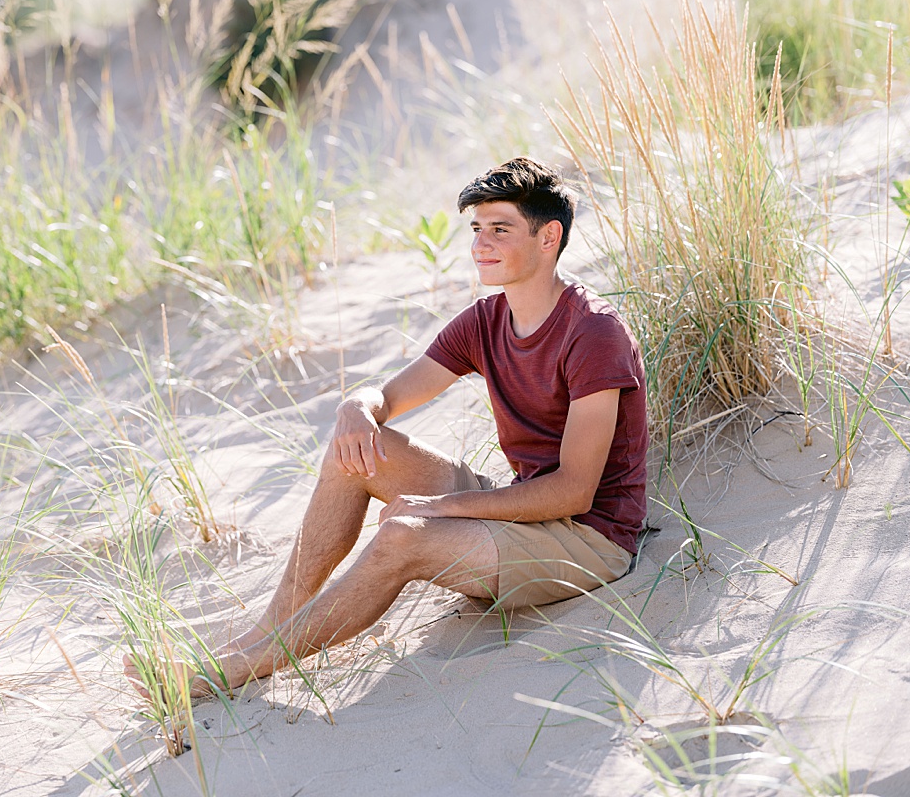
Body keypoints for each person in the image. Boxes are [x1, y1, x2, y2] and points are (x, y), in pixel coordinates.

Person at [127, 156, 648, 697]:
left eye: (500, 229)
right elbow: (392, 395)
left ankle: (233, 673)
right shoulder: (487, 319)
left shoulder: (593, 334)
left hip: (588, 539)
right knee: (354, 448)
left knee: (403, 535)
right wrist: (357, 404)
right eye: (476, 229)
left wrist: (438, 509)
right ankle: (264, 633)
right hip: (519, 508)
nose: (480, 245)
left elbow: (572, 491)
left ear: (549, 238)